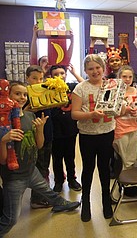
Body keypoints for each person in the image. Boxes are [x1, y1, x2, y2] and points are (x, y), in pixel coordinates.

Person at [0, 81, 80, 237]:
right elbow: (2, 161)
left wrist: (40, 129)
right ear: (7, 96)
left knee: (47, 191)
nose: (22, 97)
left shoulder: (29, 115)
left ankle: (59, 204)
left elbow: (39, 145)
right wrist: (3, 140)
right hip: (14, 177)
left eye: (25, 94)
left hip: (31, 169)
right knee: (11, 219)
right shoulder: (4, 122)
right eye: (17, 94)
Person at [71, 54, 114, 222]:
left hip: (107, 133)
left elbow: (118, 108)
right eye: (90, 68)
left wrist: (127, 111)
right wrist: (90, 114)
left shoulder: (111, 86)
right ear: (85, 71)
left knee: (104, 169)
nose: (95, 71)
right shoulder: (80, 88)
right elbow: (74, 114)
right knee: (88, 169)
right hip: (87, 135)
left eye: (98, 67)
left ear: (103, 68)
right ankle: (86, 202)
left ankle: (106, 201)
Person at [113, 65, 137, 197]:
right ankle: (123, 184)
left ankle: (129, 182)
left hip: (133, 127)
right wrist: (126, 110)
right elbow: (112, 113)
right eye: (124, 76)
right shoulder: (114, 91)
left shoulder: (135, 91)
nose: (127, 79)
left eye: (130, 77)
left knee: (131, 157)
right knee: (123, 158)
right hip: (120, 128)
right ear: (119, 77)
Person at [50, 64, 84, 193]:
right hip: (55, 129)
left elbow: (85, 84)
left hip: (70, 128)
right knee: (57, 157)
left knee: (70, 156)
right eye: (56, 74)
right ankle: (59, 180)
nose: (59, 76)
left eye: (62, 73)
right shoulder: (48, 88)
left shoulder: (71, 87)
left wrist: (75, 73)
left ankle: (71, 179)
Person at [25, 66, 54, 209]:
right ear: (27, 79)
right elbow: (21, 114)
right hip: (34, 137)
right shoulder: (26, 95)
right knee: (40, 168)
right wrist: (30, 109)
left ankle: (43, 195)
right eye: (34, 78)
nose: (38, 81)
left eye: (41, 78)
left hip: (47, 134)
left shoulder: (44, 92)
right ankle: (38, 199)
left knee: (44, 166)